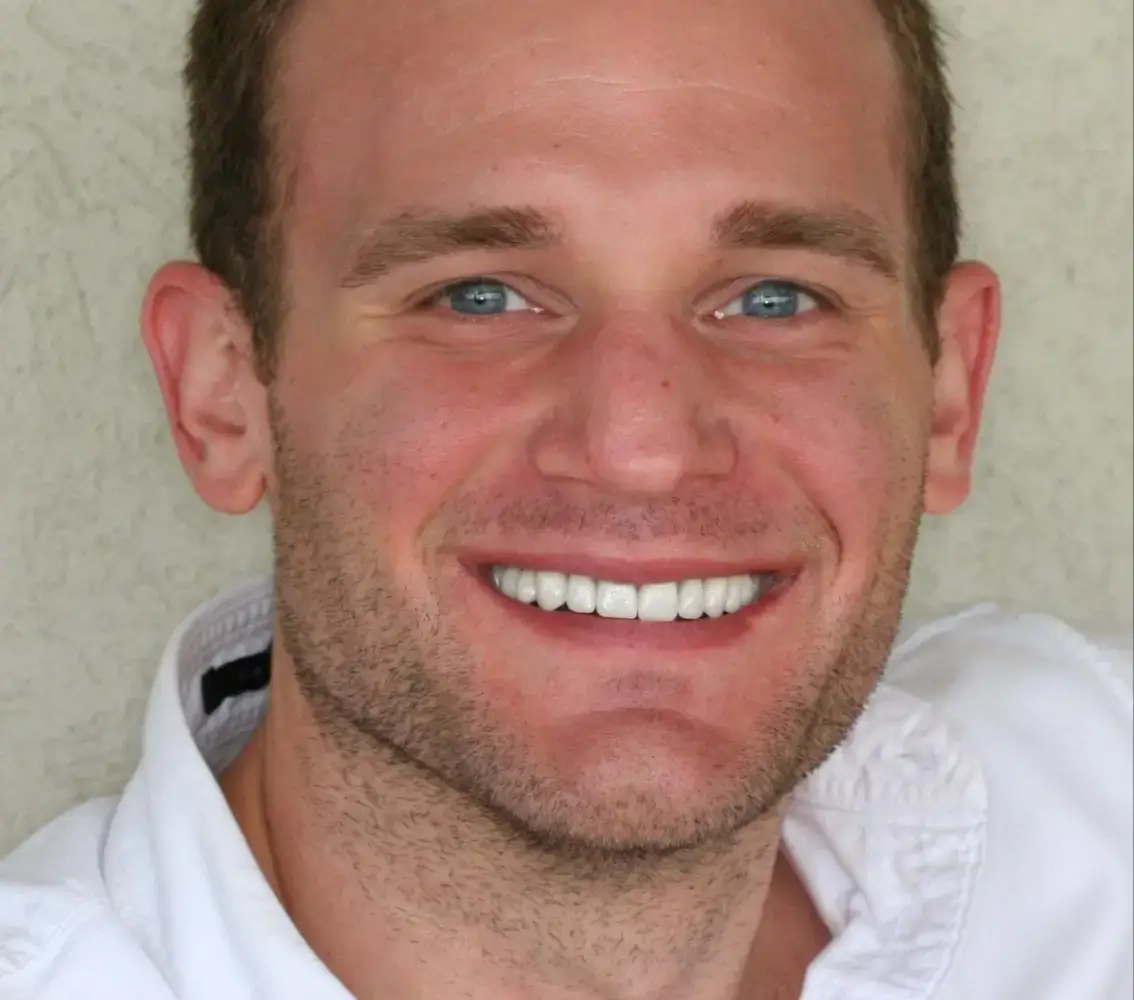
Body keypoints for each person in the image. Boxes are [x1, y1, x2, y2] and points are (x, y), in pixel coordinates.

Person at [1, 0, 1131, 996]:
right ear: (221, 395)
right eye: (479, 297)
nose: (642, 447)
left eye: (776, 298)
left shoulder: (1097, 811)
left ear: (948, 392)